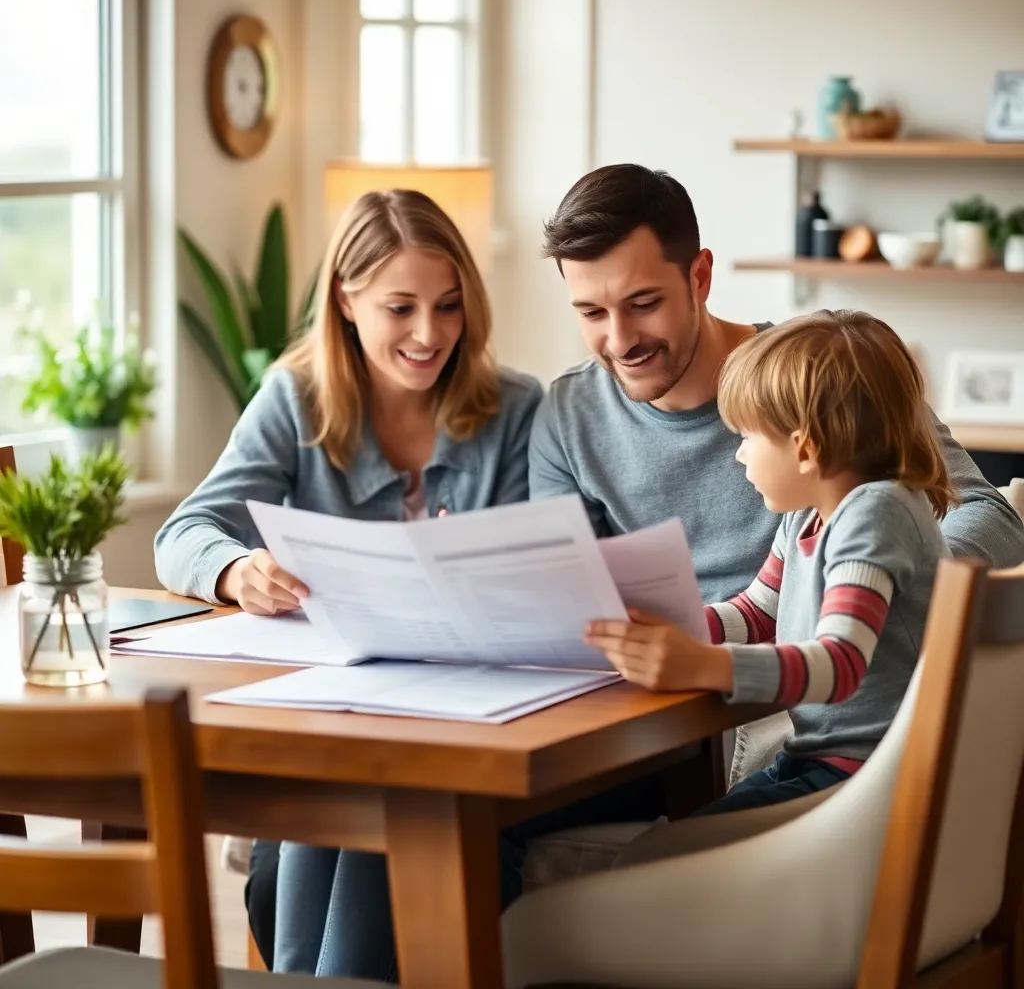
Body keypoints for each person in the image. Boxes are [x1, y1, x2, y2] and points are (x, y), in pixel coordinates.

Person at [245, 166, 1024, 978]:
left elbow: (988, 519)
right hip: (649, 708)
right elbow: (566, 598)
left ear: (700, 276)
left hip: (771, 714)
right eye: (590, 312)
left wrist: (862, 585)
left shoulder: (818, 383)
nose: (619, 339)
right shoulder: (570, 414)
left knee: (409, 817)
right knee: (375, 817)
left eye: (642, 303)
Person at [153, 189, 542, 973]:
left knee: (383, 835)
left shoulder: (518, 409)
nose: (429, 334)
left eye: (448, 305)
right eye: (400, 308)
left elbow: (541, 571)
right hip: (331, 731)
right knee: (297, 862)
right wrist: (237, 569)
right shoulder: (295, 401)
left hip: (466, 739)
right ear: (346, 298)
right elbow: (181, 534)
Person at [585, 310, 952, 810]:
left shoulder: (875, 514)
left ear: (805, 449)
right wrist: (669, 627)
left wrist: (704, 663)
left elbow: (839, 666)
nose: (739, 455)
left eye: (748, 437)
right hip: (822, 763)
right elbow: (757, 613)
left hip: (870, 781)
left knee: (674, 852)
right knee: (679, 837)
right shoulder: (806, 518)